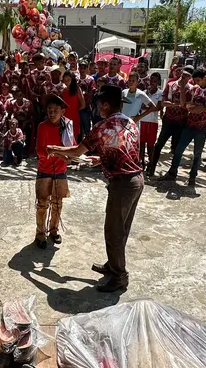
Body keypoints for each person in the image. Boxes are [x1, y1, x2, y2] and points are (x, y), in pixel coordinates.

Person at [47, 85, 143, 293]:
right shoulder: (129, 122)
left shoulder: (103, 126)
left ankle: (119, 277)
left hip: (122, 184)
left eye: (99, 104)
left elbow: (76, 151)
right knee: (122, 229)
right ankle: (113, 264)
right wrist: (101, 159)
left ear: (106, 104)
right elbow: (126, 150)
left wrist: (53, 148)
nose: (97, 108)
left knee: (114, 232)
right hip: (136, 180)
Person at [161, 68, 206, 185]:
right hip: (189, 124)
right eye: (195, 80)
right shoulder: (194, 89)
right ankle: (172, 172)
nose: (197, 83)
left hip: (202, 127)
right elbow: (183, 103)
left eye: (198, 80)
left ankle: (192, 177)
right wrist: (183, 89)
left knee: (197, 153)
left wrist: (202, 109)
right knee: (178, 150)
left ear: (205, 78)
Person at [34, 94, 74, 249]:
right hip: (45, 169)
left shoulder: (67, 126)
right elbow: (40, 151)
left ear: (62, 112)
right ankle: (40, 233)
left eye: (55, 110)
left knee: (57, 203)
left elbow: (73, 146)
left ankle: (53, 230)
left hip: (61, 170)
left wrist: (72, 157)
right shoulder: (42, 126)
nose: (52, 113)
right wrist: (59, 154)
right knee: (42, 203)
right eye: (49, 110)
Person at [147, 67, 190, 177]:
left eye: (187, 76)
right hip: (169, 120)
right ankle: (152, 167)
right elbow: (163, 102)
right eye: (183, 74)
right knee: (159, 145)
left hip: (181, 121)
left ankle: (173, 171)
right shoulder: (171, 85)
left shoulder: (190, 89)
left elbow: (184, 104)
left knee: (177, 148)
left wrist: (182, 89)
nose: (184, 77)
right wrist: (175, 104)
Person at [139, 72, 162, 168]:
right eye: (151, 80)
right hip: (142, 120)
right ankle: (141, 161)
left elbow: (158, 108)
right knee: (141, 143)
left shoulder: (160, 93)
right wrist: (151, 107)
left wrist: (148, 107)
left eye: (155, 81)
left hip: (153, 122)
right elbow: (141, 106)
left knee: (151, 144)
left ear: (158, 82)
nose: (152, 82)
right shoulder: (144, 92)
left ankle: (151, 162)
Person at [61, 71, 85, 141]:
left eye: (68, 79)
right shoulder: (64, 90)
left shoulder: (77, 89)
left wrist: (74, 110)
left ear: (72, 79)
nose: (66, 81)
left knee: (74, 138)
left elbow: (83, 105)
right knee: (65, 138)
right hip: (65, 117)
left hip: (74, 116)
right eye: (65, 80)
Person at [78, 61, 96, 140]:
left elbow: (91, 93)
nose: (82, 70)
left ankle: (88, 144)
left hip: (86, 108)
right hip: (76, 107)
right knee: (78, 128)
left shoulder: (90, 79)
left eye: (84, 68)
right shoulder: (76, 79)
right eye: (81, 68)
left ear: (87, 69)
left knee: (87, 128)